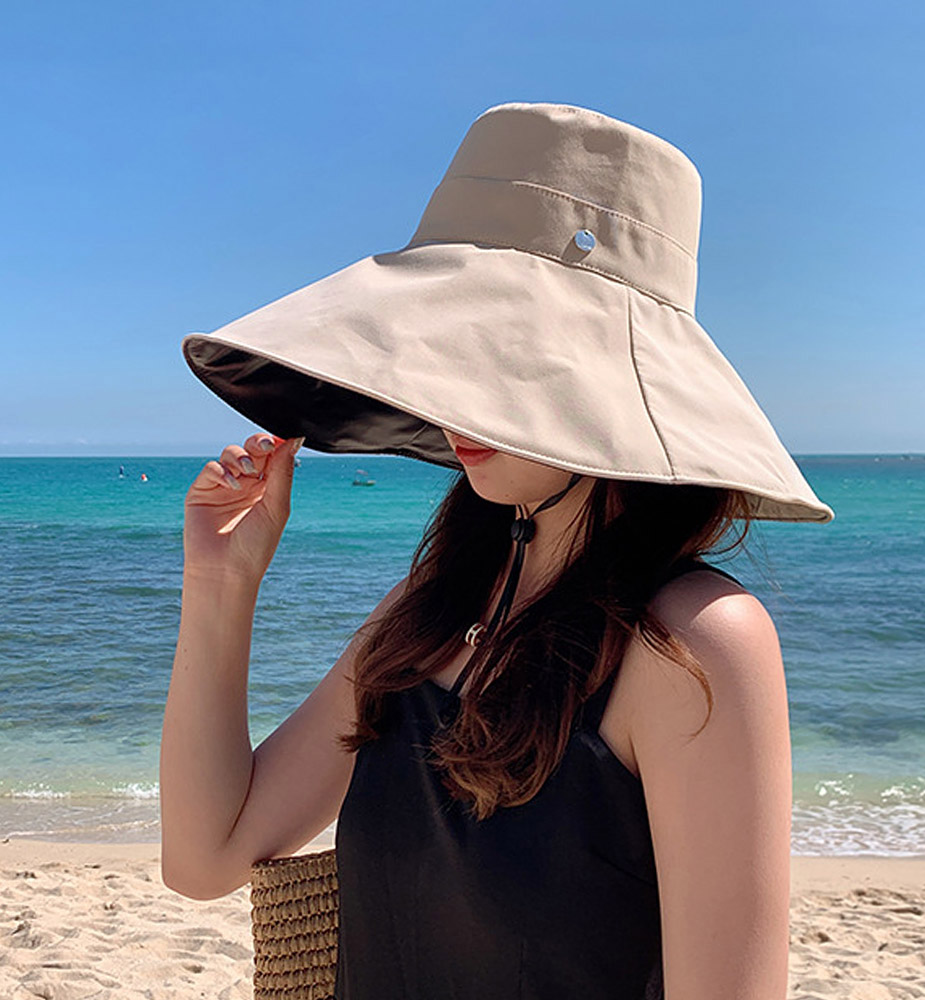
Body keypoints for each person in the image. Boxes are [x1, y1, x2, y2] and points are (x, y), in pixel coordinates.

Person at [161, 102, 833, 999]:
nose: (456, 392)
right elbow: (205, 857)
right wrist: (221, 581)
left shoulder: (694, 643)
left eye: (502, 350)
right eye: (450, 345)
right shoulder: (432, 609)